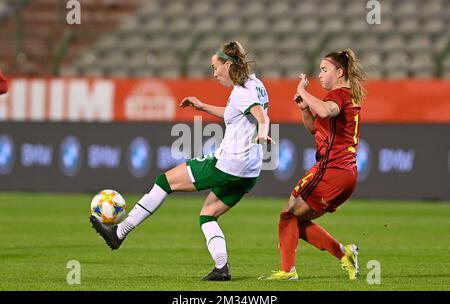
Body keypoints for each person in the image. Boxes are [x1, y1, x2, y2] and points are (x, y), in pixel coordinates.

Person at [90, 41, 272, 281]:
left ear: (228, 65)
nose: (214, 73)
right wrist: (202, 105)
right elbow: (238, 113)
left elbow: (259, 114)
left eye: (215, 67)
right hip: (249, 171)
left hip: (228, 163)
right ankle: (222, 268)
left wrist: (262, 129)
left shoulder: (243, 92)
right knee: (207, 215)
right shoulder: (255, 85)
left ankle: (119, 233)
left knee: (164, 182)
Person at [260, 48, 367, 281]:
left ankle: (288, 271)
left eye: (324, 69)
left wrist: (303, 91)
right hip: (345, 174)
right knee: (294, 219)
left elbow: (327, 111)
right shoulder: (346, 97)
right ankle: (344, 254)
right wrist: (304, 109)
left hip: (332, 170)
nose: (320, 74)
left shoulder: (338, 96)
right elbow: (314, 128)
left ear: (339, 72)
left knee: (288, 214)